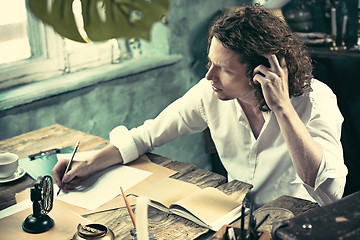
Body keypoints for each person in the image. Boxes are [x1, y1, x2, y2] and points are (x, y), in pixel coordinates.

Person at [52, 4, 347, 208]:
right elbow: (148, 135)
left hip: (293, 226)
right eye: (210, 63)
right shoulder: (210, 92)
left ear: (262, 71)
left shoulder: (315, 100)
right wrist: (89, 162)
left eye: (224, 70)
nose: (209, 76)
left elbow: (330, 191)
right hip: (236, 217)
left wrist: (283, 109)